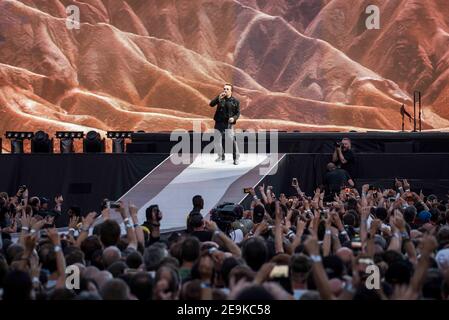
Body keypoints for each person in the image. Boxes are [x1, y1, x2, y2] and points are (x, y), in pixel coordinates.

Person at [209, 83, 240, 165]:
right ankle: (221, 156)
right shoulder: (220, 98)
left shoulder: (235, 101)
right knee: (216, 141)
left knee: (231, 140)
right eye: (224, 89)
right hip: (219, 122)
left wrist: (233, 118)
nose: (225, 90)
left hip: (228, 124)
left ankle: (236, 158)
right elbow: (211, 104)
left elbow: (237, 113)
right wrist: (218, 98)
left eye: (227, 89)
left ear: (231, 91)